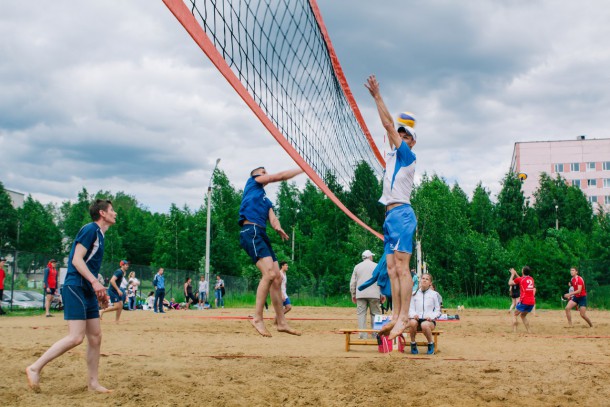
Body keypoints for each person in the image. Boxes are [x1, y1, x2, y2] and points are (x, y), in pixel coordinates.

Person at [26, 199, 116, 393]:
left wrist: (97, 288)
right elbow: (76, 260)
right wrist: (95, 282)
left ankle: (93, 384)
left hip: (87, 289)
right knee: (76, 337)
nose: (115, 213)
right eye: (112, 210)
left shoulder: (100, 235)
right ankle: (34, 368)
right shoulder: (90, 229)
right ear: (102, 213)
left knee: (95, 336)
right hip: (75, 286)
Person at [365, 75, 418, 340]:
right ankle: (396, 315)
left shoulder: (408, 155)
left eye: (406, 135)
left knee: (402, 268)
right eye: (400, 135)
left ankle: (404, 316)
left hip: (402, 215)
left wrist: (376, 96)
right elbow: (388, 128)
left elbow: (387, 123)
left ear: (412, 141)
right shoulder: (391, 156)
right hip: (389, 216)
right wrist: (391, 127)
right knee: (391, 268)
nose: (401, 137)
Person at [238, 165, 303, 337]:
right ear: (257, 175)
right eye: (264, 172)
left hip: (261, 233)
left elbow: (273, 219)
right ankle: (257, 318)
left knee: (277, 277)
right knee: (268, 274)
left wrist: (278, 228)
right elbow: (280, 176)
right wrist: (303, 169)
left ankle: (281, 322)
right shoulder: (253, 183)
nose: (266, 175)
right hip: (250, 231)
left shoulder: (265, 200)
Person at [350, 250, 381, 339]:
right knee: (375, 314)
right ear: (370, 257)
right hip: (374, 294)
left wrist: (353, 294)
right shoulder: (377, 266)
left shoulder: (357, 267)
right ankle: (376, 335)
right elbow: (380, 281)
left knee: (361, 314)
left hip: (361, 294)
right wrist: (382, 294)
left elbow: (353, 283)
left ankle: (363, 335)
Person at [407, 273, 441, 354]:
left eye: (427, 279)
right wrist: (413, 315)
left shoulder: (434, 294)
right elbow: (410, 309)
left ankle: (430, 344)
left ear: (430, 283)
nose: (424, 280)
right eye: (423, 278)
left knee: (424, 325)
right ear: (420, 280)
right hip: (416, 319)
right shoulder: (413, 294)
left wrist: (431, 316)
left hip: (429, 321)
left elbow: (438, 310)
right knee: (412, 322)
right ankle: (413, 344)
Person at [509, 266, 535, 333]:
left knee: (514, 314)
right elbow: (521, 279)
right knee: (523, 315)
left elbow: (510, 283)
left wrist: (512, 274)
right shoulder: (531, 279)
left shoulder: (521, 279)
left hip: (524, 301)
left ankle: (514, 331)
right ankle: (529, 331)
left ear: (523, 272)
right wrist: (516, 274)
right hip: (531, 302)